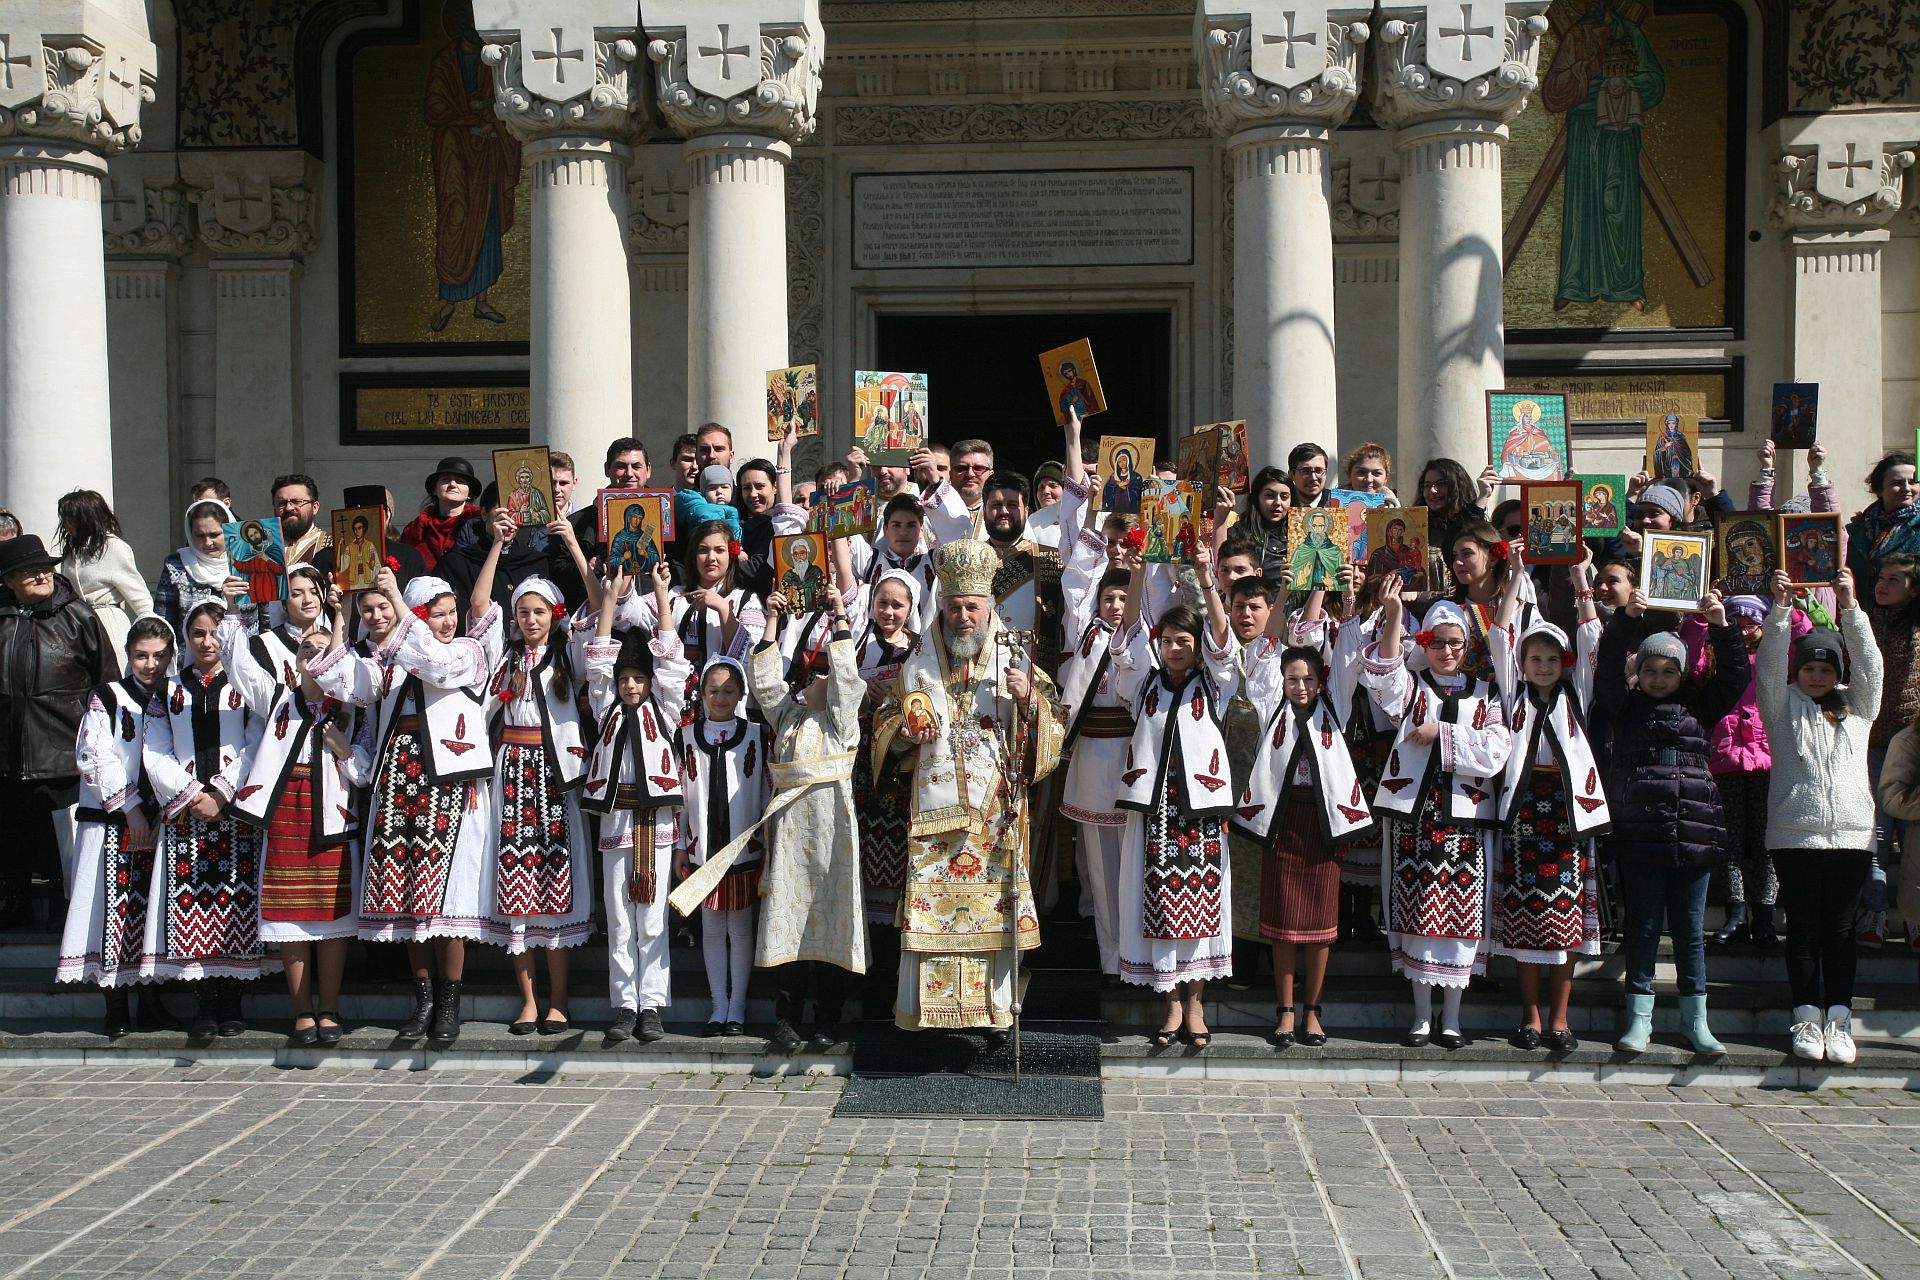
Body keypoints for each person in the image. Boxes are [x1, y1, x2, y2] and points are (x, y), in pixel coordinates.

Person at [875, 541, 1064, 1042]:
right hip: (934, 814)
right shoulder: (917, 662)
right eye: (954, 607)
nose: (962, 617)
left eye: (972, 608)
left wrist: (1030, 701)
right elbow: (883, 724)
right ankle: (927, 1014)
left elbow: (1050, 728)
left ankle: (995, 1011)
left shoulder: (1013, 653)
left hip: (994, 813)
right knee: (936, 915)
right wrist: (902, 734)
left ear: (989, 608)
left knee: (992, 917)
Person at [309, 567, 493, 1044]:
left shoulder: (468, 652)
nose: (448, 621)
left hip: (449, 782)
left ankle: (449, 1002)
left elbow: (436, 664)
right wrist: (340, 614)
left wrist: (396, 602)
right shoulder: (389, 660)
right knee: (409, 895)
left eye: (451, 612)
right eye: (438, 614)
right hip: (399, 782)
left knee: (448, 894)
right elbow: (340, 681)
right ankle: (424, 999)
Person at [1593, 583, 1749, 1056]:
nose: (1659, 678)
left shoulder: (1699, 704)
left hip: (1694, 829)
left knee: (1689, 929)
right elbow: (1604, 672)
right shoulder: (1624, 705)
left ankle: (1694, 1019)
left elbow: (1736, 676)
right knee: (1642, 927)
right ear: (1638, 672)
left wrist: (1721, 626)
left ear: (1682, 673)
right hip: (1641, 830)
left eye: (1668, 671)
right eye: (1650, 670)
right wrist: (1624, 620)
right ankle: (1639, 1020)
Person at [220, 567, 366, 1048]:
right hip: (286, 813)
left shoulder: (348, 709)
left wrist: (345, 749)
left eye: (323, 651)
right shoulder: (277, 699)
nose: (313, 656)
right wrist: (234, 609)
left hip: (332, 814)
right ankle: (301, 1010)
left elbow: (366, 771)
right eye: (306, 650)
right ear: (296, 662)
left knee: (332, 916)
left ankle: (329, 1008)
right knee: (290, 915)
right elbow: (238, 663)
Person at [1362, 585, 1514, 1049]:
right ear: (1423, 643)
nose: (1446, 651)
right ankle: (1422, 1016)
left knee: (1461, 919)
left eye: (1455, 643)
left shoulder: (1485, 694)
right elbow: (1383, 676)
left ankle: (1452, 1016)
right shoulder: (1412, 687)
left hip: (1465, 822)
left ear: (1467, 648)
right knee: (1417, 916)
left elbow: (1495, 752)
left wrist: (1442, 733)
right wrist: (1393, 617)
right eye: (1437, 642)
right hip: (1415, 817)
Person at [469, 509, 600, 1033]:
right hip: (512, 772)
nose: (530, 619)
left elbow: (598, 603)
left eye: (539, 611)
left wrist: (571, 547)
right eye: (522, 612)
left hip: (555, 776)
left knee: (555, 883)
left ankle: (559, 997)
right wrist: (498, 545)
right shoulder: (502, 659)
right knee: (515, 884)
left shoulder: (568, 654)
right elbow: (480, 604)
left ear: (553, 615)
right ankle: (527, 998)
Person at [1109, 548, 1238, 1048]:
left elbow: (1225, 643)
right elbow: (1128, 641)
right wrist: (1139, 572)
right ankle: (1169, 1004)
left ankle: (1197, 1001)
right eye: (1168, 641)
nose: (1174, 648)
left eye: (1183, 640)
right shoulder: (1144, 684)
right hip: (1152, 810)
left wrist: (1207, 577)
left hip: (1199, 811)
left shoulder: (1215, 683)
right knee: (1158, 901)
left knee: (1201, 902)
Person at [1488, 547, 1609, 1053]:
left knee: (1565, 918)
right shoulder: (1513, 693)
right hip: (1521, 812)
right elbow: (1501, 636)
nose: (1542, 666)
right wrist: (1516, 575)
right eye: (1534, 659)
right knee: (1524, 915)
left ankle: (1561, 1016)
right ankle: (1531, 1015)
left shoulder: (1576, 692)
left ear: (1564, 665)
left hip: (1566, 814)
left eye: (1551, 660)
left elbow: (1593, 638)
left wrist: (1581, 577)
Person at [1757, 568, 1881, 1065]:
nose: (1817, 676)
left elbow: (1871, 666)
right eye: (1809, 668)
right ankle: (1806, 1015)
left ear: (1837, 674)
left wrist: (1850, 608)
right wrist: (1781, 611)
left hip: (1851, 835)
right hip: (1795, 835)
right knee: (1804, 928)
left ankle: (1839, 1019)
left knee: (1841, 932)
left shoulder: (1858, 706)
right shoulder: (1780, 705)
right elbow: (1767, 666)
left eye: (1826, 669)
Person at [744, 582, 869, 1052]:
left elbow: (848, 678)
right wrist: (772, 618)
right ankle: (788, 1018)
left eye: (821, 675)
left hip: (834, 837)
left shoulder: (841, 721)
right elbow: (765, 684)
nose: (812, 680)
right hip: (790, 838)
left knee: (832, 926)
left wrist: (840, 615)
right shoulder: (789, 718)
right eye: (810, 674)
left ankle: (828, 1018)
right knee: (788, 925)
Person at [1233, 643, 1376, 1050]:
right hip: (1281, 823)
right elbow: (1262, 657)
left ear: (1321, 681)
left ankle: (1313, 1009)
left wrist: (1341, 603)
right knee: (1281, 927)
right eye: (1292, 678)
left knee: (1320, 928)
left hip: (1323, 824)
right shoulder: (1268, 709)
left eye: (1308, 679)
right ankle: (1285, 1011)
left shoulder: (1337, 712)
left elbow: (1349, 658)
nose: (1300, 686)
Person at [142, 601, 269, 1035]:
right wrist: (193, 792)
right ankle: (203, 1005)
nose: (207, 641)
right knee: (191, 908)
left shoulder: (244, 686)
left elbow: (256, 742)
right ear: (186, 637)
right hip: (187, 814)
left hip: (233, 813)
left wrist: (222, 792)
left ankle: (232, 1003)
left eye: (215, 632)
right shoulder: (169, 690)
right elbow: (154, 750)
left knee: (234, 902)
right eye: (198, 633)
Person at [582, 563, 692, 1046]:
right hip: (617, 820)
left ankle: (652, 1004)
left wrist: (662, 596)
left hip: (657, 822)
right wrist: (608, 601)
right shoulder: (606, 707)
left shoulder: (664, 708)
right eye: (624, 679)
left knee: (651, 918)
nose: (629, 685)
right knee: (621, 917)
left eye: (637, 679)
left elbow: (671, 661)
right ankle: (624, 1005)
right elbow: (597, 662)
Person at [54, 615, 175, 1035]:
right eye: (141, 655)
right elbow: (95, 756)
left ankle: (150, 1000)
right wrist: (131, 808)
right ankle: (115, 1005)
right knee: (111, 912)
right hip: (112, 820)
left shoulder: (173, 698)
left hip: (158, 823)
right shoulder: (107, 696)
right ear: (128, 655)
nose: (150, 664)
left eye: (159, 656)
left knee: (148, 910)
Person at [0, 534, 115, 928]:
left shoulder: (78, 616)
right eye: (28, 571)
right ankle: (13, 905)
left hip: (64, 752)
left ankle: (67, 913)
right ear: (9, 579)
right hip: (8, 754)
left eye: (44, 567)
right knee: (12, 839)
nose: (41, 575)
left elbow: (107, 683)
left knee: (65, 847)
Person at [669, 653, 763, 1040]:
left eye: (728, 691)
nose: (720, 698)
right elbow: (678, 795)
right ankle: (717, 1005)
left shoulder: (756, 734)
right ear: (702, 694)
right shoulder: (687, 736)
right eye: (713, 691)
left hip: (743, 848)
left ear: (741, 693)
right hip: (702, 849)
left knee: (740, 928)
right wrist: (679, 847)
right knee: (710, 927)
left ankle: (737, 1005)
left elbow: (765, 791)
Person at [55, 490, 152, 655]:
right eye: (65, 519)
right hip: (76, 626)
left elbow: (140, 599)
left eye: (71, 519)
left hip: (108, 623)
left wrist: (149, 637)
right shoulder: (71, 552)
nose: (66, 525)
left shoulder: (114, 548)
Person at [154, 497, 235, 659]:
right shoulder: (176, 565)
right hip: (189, 665)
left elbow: (265, 619)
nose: (208, 542)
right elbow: (163, 623)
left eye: (214, 534)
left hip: (240, 660)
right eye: (199, 535)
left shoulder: (247, 564)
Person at [1845, 451, 1920, 587]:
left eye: (1913, 482)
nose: (1906, 488)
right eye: (1897, 483)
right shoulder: (1856, 530)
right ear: (1879, 489)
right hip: (1856, 607)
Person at [401, 456, 481, 572]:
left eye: (460, 481)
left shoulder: (481, 524)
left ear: (470, 493)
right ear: (434, 489)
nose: (452, 484)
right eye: (445, 479)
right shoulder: (414, 530)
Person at [272, 474, 331, 569]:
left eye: (297, 501)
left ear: (314, 507)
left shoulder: (332, 545)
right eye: (281, 503)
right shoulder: (263, 548)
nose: (288, 508)